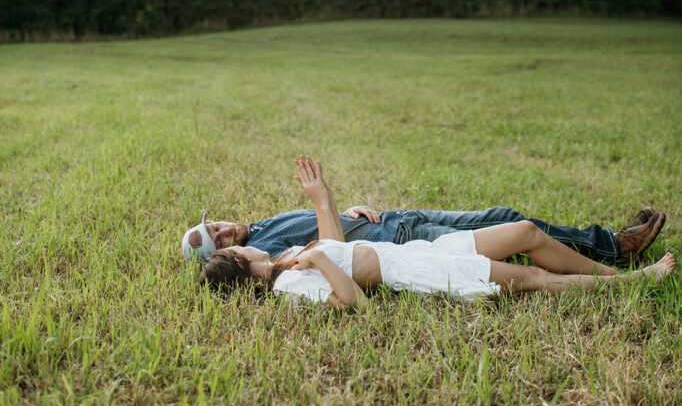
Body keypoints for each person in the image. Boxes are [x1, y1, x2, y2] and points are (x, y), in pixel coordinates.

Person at [198, 158, 675, 311]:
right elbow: (353, 305)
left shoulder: (285, 256)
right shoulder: (288, 287)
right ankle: (635, 281)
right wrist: (316, 260)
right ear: (240, 262)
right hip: (425, 270)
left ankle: (612, 263)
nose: (240, 240)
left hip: (425, 249)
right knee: (530, 282)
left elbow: (337, 247)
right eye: (235, 247)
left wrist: (324, 199)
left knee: (525, 230)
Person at [182, 156, 666, 266]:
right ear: (225, 256)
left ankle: (600, 243)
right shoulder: (261, 250)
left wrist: (346, 208)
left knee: (504, 212)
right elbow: (331, 249)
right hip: (400, 241)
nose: (225, 232)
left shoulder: (259, 226)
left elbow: (329, 227)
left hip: (393, 218)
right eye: (220, 243)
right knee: (515, 233)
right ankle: (615, 249)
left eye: (214, 225)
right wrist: (323, 199)